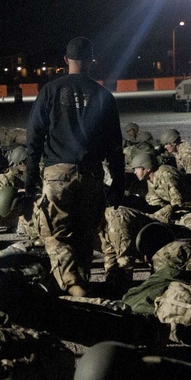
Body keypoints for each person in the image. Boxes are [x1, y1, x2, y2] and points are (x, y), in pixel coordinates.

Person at [25, 37, 125, 297]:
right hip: (91, 173)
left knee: (55, 234)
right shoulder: (103, 95)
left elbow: (34, 137)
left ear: (65, 60)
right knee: (85, 235)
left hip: (58, 173)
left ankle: (73, 285)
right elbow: (115, 144)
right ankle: (83, 285)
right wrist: (118, 183)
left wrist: (30, 179)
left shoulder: (50, 90)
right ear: (91, 61)